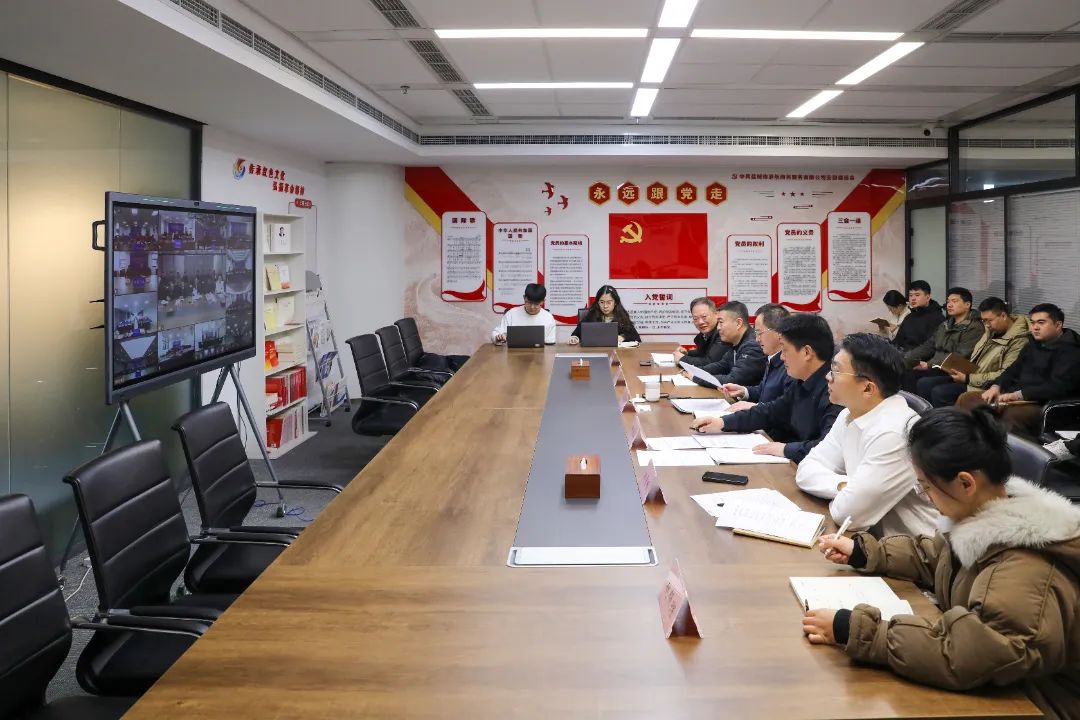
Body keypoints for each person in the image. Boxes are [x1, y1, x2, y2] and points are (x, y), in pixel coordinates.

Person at [805, 407, 1080, 719]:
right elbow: (935, 557)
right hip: (1001, 686)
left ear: (966, 483)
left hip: (1035, 703)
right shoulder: (986, 515)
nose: (925, 496)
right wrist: (864, 552)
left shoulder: (1025, 567)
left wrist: (860, 631)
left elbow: (968, 656)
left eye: (925, 486)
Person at [796, 333, 939, 536]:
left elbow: (848, 515)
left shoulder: (895, 433)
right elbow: (806, 469)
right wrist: (845, 486)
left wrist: (851, 495)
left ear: (867, 388)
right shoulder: (849, 414)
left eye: (836, 370)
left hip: (916, 549)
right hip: (870, 542)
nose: (828, 377)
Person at [691, 313, 840, 463]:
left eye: (785, 350)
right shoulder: (801, 382)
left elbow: (829, 449)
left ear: (807, 352)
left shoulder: (835, 391)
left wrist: (785, 449)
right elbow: (770, 412)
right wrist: (722, 423)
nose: (781, 357)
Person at [957, 303, 1080, 438]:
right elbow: (1012, 369)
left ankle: (1000, 449)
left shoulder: (1071, 351)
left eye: (1041, 323)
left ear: (1058, 325)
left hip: (1041, 403)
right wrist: (996, 386)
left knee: (1012, 415)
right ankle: (965, 442)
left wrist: (1017, 395)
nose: (1035, 327)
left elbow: (1058, 387)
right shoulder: (1032, 344)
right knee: (967, 399)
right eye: (1032, 322)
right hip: (1012, 395)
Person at [927, 297, 1030, 408]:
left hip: (987, 386)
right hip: (973, 376)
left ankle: (950, 419)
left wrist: (968, 378)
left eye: (989, 320)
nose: (987, 325)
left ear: (1003, 316)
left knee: (940, 392)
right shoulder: (990, 330)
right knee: (926, 384)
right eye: (984, 320)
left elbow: (1005, 374)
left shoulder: (1019, 340)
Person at [903, 286, 983, 397]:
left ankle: (923, 408)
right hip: (937, 367)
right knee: (905, 372)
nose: (949, 305)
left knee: (920, 381)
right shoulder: (945, 324)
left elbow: (960, 356)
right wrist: (907, 359)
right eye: (948, 301)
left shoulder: (974, 327)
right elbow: (928, 346)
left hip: (953, 371)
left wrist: (929, 365)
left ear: (967, 305)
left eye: (954, 301)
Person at [721, 303, 793, 411]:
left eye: (760, 333)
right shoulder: (772, 358)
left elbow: (787, 409)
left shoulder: (791, 365)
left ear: (778, 332)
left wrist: (756, 407)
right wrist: (744, 391)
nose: (757, 339)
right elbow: (763, 390)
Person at [687, 300, 765, 389]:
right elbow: (721, 366)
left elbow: (734, 379)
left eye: (721, 322)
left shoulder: (752, 345)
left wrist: (697, 377)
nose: (718, 328)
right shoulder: (735, 342)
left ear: (738, 323)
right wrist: (695, 371)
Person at [568, 284, 640, 345]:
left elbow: (636, 338)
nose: (605, 306)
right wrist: (575, 338)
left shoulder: (622, 316)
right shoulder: (591, 315)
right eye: (602, 302)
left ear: (615, 302)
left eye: (609, 302)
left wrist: (623, 337)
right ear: (598, 302)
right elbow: (576, 334)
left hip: (616, 354)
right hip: (595, 353)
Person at [491, 283, 556, 345]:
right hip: (513, 352)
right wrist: (498, 337)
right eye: (529, 302)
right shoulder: (511, 314)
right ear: (524, 298)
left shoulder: (548, 318)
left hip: (540, 352)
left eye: (536, 304)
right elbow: (495, 333)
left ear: (543, 301)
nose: (532, 307)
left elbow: (550, 342)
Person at [673, 297, 728, 368]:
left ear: (716, 314)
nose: (700, 322)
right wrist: (687, 353)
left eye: (704, 316)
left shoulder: (723, 333)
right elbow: (703, 353)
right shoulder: (706, 334)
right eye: (695, 318)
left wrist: (682, 359)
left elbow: (710, 361)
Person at [891, 280, 944, 353]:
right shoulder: (909, 317)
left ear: (928, 297)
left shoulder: (937, 318)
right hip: (902, 355)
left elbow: (930, 348)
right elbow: (898, 341)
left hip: (919, 358)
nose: (913, 298)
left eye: (917, 295)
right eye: (910, 295)